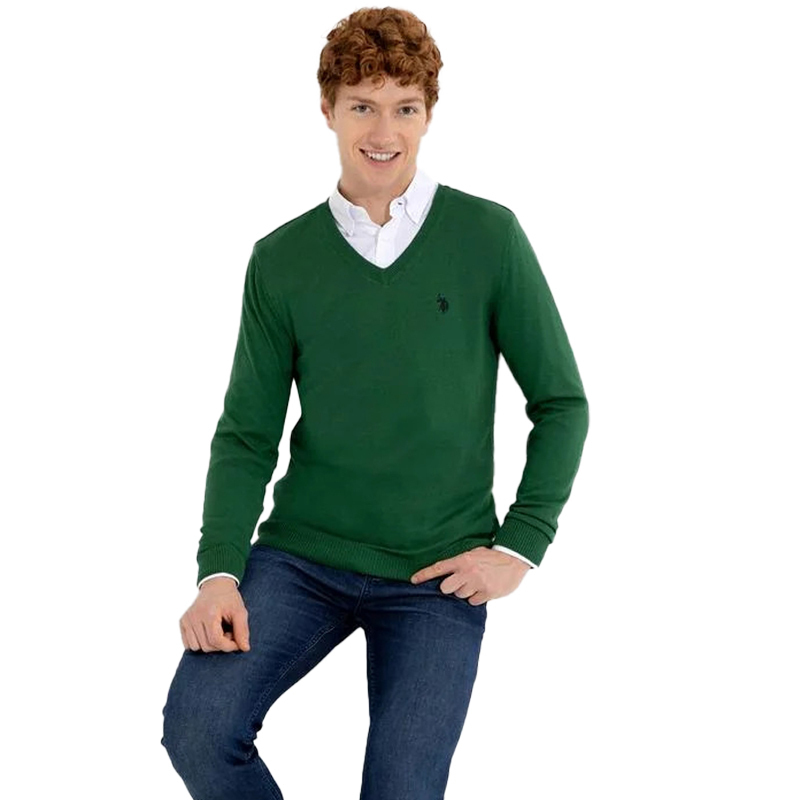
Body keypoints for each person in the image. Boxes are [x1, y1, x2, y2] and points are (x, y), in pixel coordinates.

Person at [161, 7, 589, 799]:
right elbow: (247, 435)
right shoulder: (281, 260)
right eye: (362, 105)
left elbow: (562, 402)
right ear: (327, 110)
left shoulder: (489, 237)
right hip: (302, 556)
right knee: (198, 726)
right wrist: (218, 571)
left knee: (401, 788)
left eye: (405, 107)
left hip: (438, 573)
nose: (384, 131)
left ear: (429, 114)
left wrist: (520, 546)